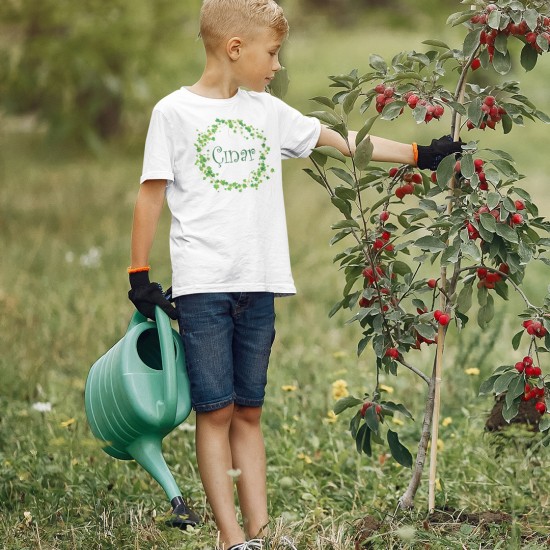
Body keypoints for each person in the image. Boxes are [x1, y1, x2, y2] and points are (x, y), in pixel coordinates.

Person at [127, 1, 461, 548]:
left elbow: (345, 142)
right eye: (273, 53)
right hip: (203, 286)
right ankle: (232, 538)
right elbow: (151, 194)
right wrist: (139, 275)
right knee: (215, 411)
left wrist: (422, 154)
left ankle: (259, 533)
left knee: (249, 409)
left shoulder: (267, 112)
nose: (278, 65)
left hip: (259, 284)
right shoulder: (173, 113)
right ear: (235, 49)